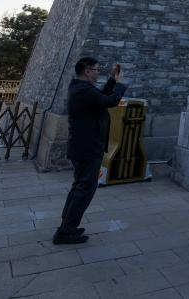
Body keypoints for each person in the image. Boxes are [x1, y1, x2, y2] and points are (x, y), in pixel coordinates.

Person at [54, 58, 126, 245]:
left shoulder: (81, 88)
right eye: (96, 69)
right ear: (87, 71)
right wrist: (119, 84)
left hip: (84, 146)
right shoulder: (83, 90)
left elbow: (100, 98)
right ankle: (66, 231)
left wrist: (112, 80)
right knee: (85, 188)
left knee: (80, 186)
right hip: (87, 147)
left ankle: (66, 226)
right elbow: (110, 101)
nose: (98, 72)